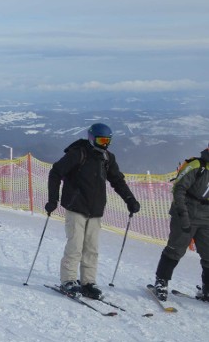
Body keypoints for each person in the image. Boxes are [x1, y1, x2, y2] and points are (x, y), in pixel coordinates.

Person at [46, 123, 140, 299]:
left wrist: (130, 199)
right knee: (75, 245)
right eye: (101, 140)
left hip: (96, 209)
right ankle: (68, 280)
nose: (104, 144)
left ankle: (88, 282)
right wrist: (53, 199)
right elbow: (55, 172)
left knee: (91, 248)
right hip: (76, 207)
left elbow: (117, 181)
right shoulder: (78, 153)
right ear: (91, 138)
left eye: (108, 141)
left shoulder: (107, 158)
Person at [152, 145, 209, 301]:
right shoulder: (197, 165)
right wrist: (183, 215)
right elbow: (179, 189)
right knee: (175, 249)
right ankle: (161, 281)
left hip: (206, 216)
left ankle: (207, 289)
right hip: (186, 211)